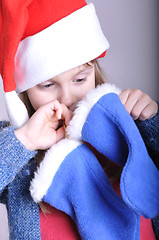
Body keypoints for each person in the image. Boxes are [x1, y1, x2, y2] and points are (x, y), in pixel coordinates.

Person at [0, 0, 158, 239]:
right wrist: (24, 141)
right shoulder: (16, 149)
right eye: (47, 85)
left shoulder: (128, 125)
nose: (67, 98)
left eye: (80, 79)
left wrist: (151, 124)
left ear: (94, 71)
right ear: (26, 91)